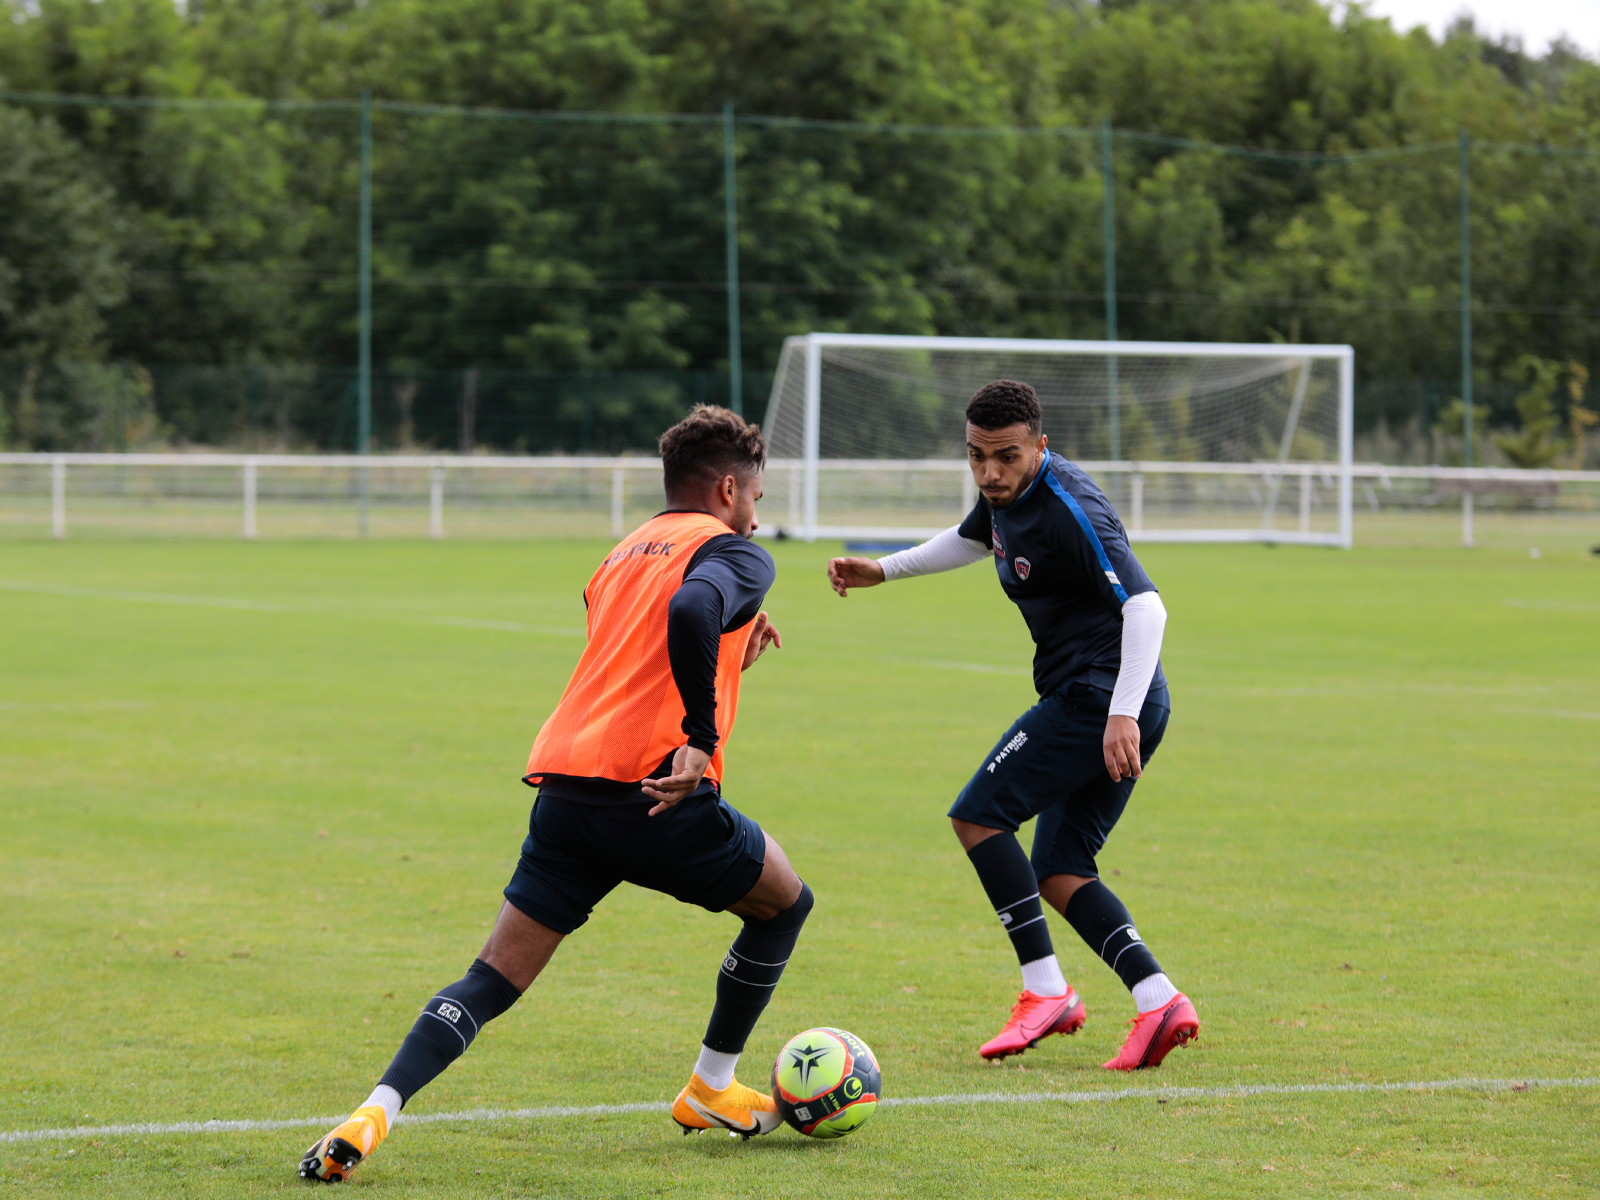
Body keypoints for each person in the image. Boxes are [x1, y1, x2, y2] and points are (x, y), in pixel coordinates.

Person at [300, 406, 811, 1182]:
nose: (755, 515)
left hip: (569, 793)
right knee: (785, 904)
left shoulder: (620, 555)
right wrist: (702, 740)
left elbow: (647, 651)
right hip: (658, 797)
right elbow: (690, 610)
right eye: (756, 500)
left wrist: (736, 643)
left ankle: (377, 1108)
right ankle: (710, 1084)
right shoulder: (735, 553)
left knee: (492, 978)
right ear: (730, 488)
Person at [826, 379, 1197, 1070]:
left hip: (1102, 698)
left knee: (979, 817)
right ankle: (1158, 999)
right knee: (1058, 868)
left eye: (1005, 457)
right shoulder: (1007, 495)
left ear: (1040, 447)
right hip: (1117, 699)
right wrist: (885, 569)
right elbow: (973, 538)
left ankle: (1044, 990)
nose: (990, 472)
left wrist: (1118, 715)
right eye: (975, 457)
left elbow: (1147, 607)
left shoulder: (1070, 508)